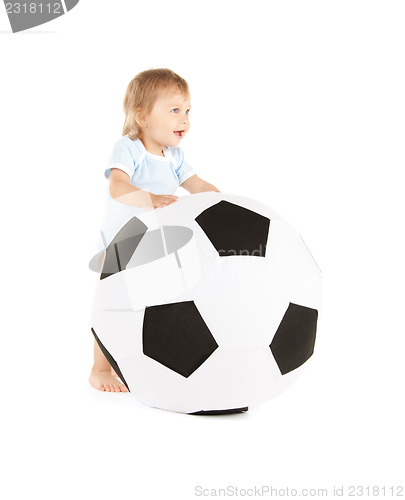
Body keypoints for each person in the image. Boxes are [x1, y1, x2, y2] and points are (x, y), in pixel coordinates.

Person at [89, 68, 221, 392]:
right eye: (175, 110)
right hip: (123, 241)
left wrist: (223, 201)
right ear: (142, 116)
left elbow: (198, 184)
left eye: (188, 111)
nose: (185, 119)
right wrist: (149, 199)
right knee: (115, 303)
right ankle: (100, 368)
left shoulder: (174, 156)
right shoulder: (130, 148)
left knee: (156, 304)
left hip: (157, 244)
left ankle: (152, 362)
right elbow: (117, 187)